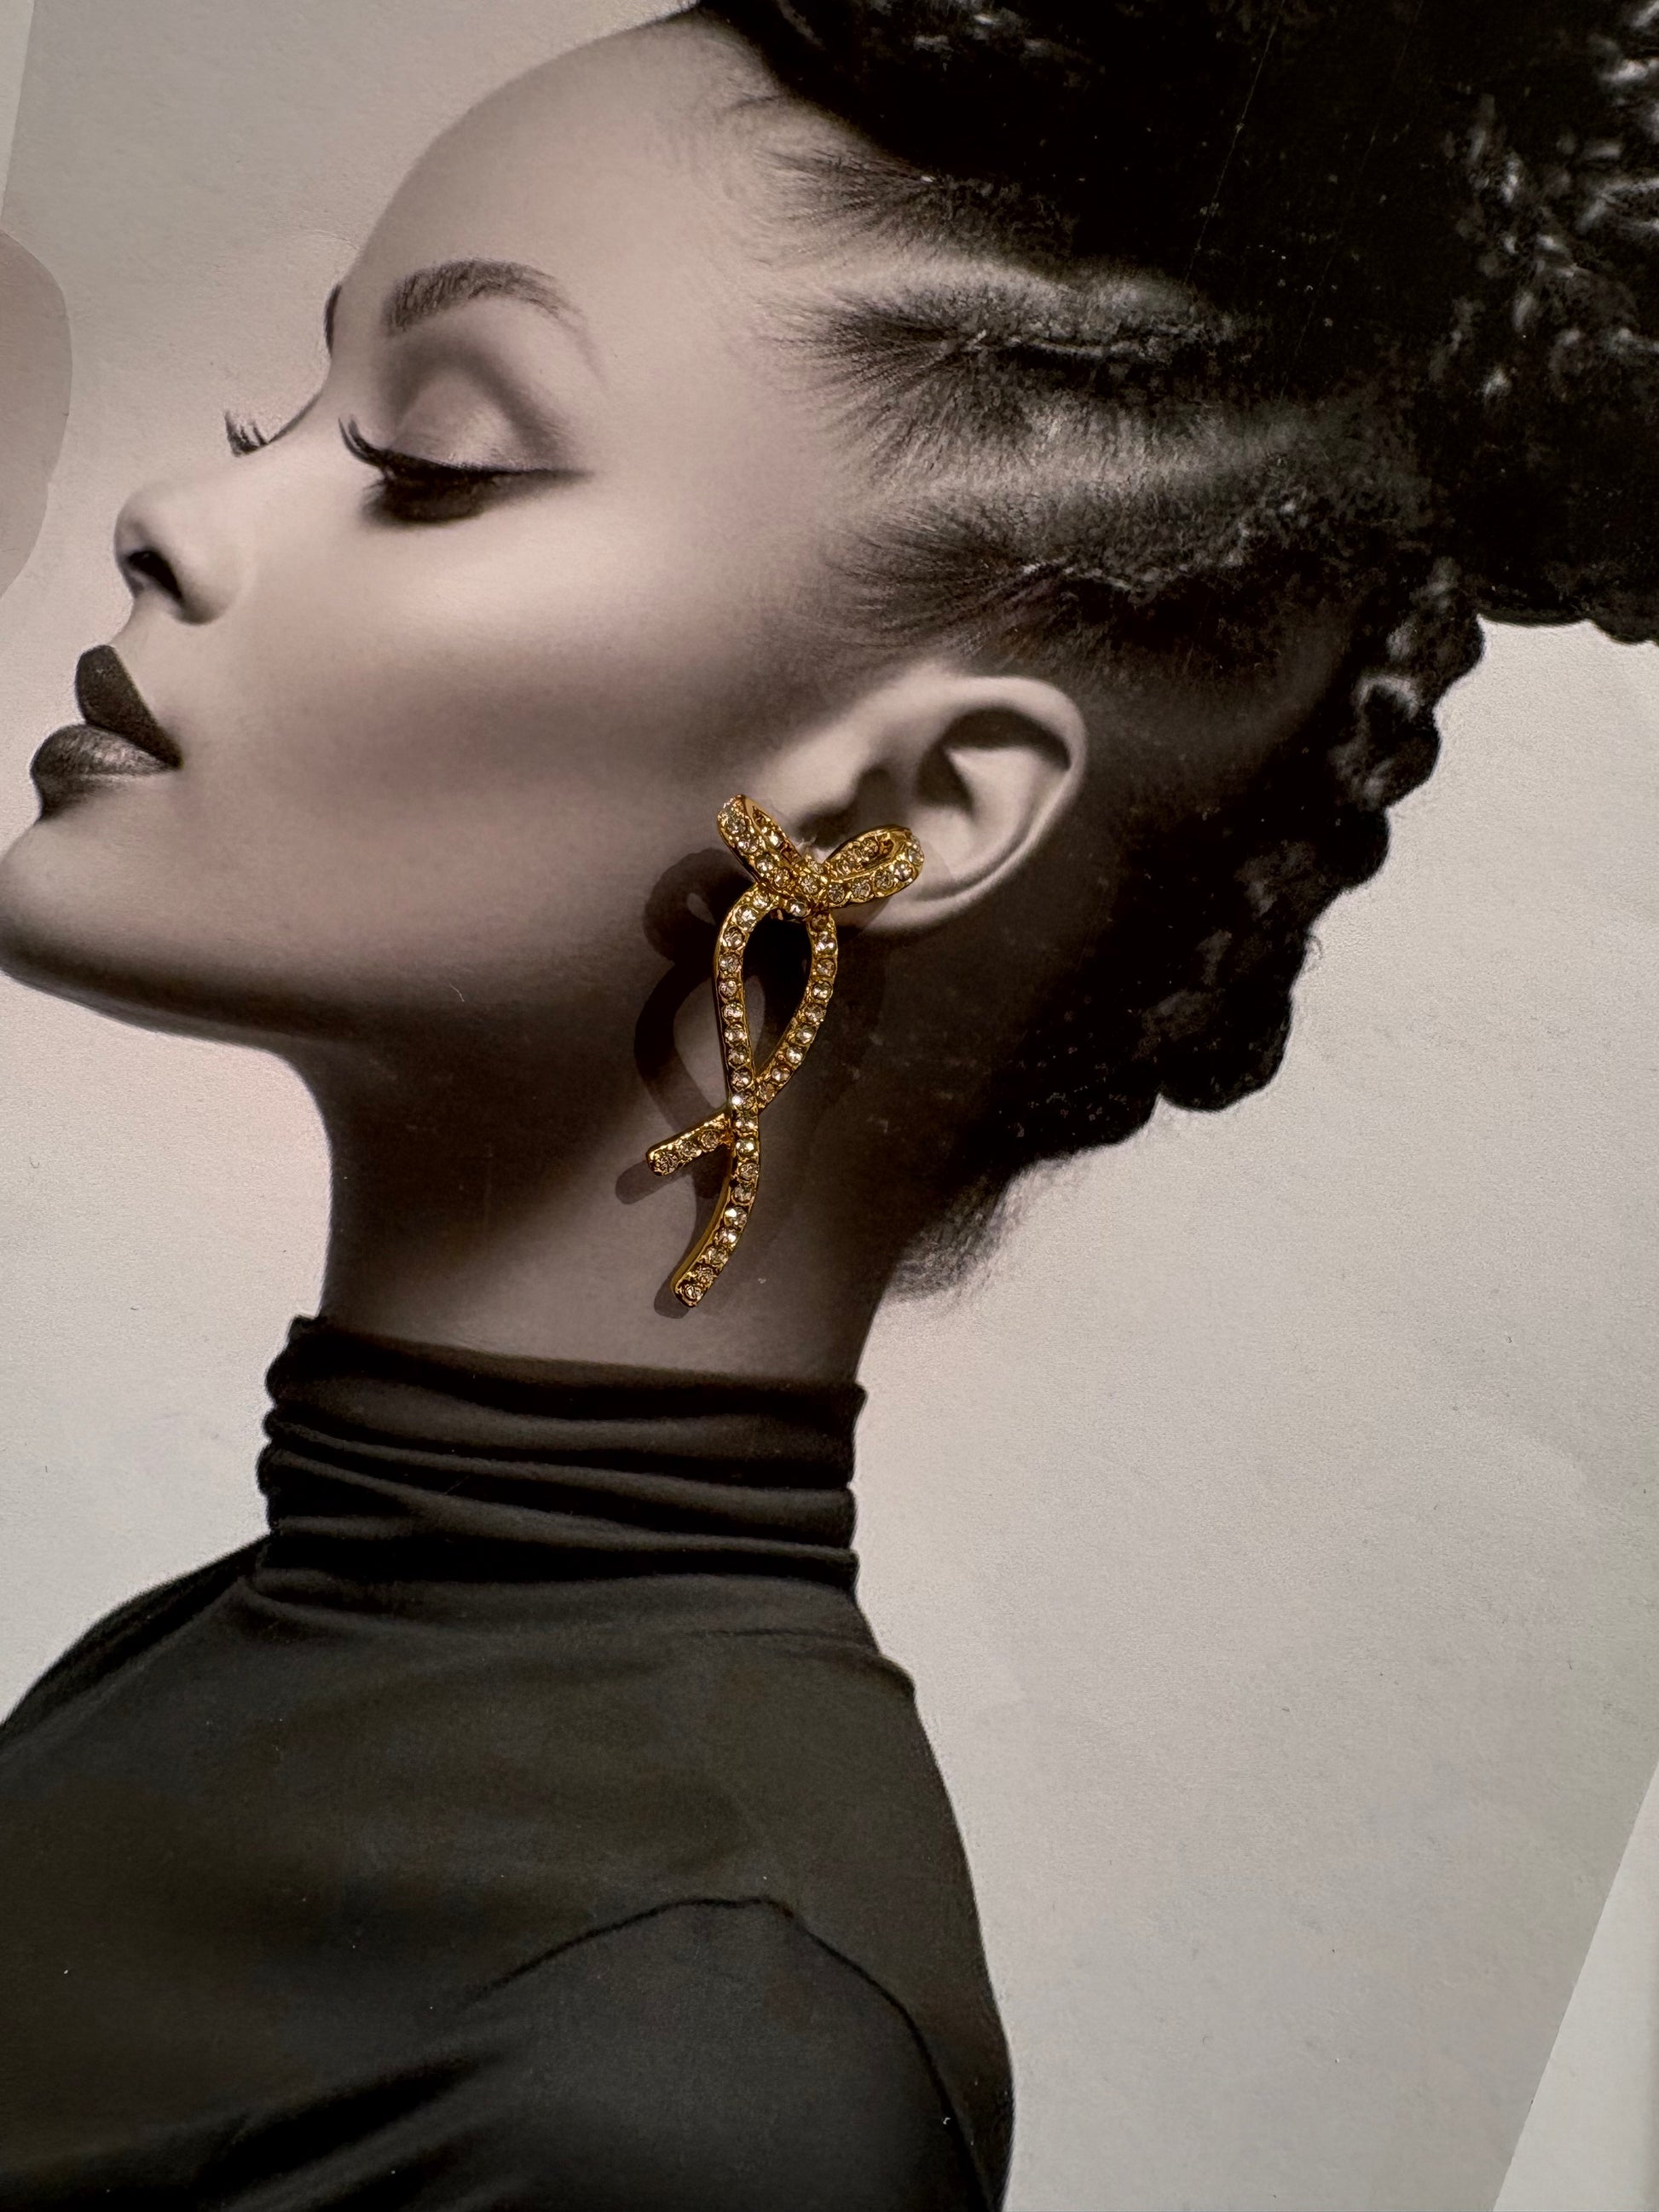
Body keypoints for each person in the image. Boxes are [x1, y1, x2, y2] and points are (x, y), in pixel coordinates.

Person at [0, 2, 1654, 2204]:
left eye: (430, 454)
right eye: (283, 409)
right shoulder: (253, 1648)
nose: (173, 513)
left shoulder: (681, 2076)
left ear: (909, 812)